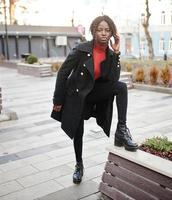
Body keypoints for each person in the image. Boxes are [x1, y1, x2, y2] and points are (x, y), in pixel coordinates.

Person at [51, 15, 138, 184]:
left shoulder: (111, 53)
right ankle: (79, 165)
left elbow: (113, 79)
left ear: (112, 33)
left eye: (107, 30)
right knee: (78, 130)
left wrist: (117, 53)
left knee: (121, 87)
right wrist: (58, 100)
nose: (104, 34)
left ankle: (121, 129)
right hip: (77, 95)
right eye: (100, 30)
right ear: (93, 31)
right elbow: (62, 73)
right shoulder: (81, 50)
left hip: (94, 94)